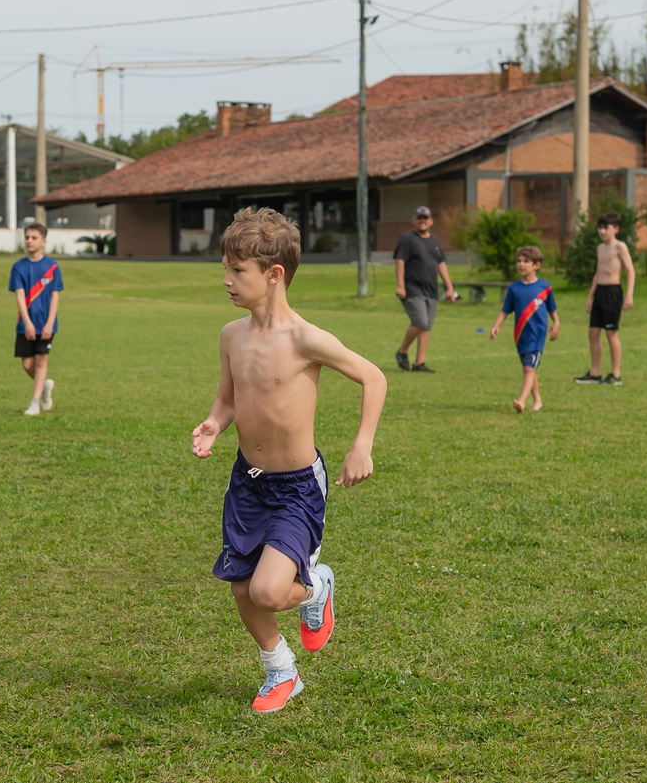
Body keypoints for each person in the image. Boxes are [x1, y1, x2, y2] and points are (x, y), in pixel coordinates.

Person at [191, 207, 387, 713]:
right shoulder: (231, 335)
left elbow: (374, 377)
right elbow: (228, 398)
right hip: (247, 482)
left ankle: (316, 587)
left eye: (238, 270)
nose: (227, 280)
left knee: (269, 591)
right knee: (242, 589)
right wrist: (214, 423)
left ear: (274, 274)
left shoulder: (306, 338)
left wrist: (361, 444)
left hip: (296, 486)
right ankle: (281, 670)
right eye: (226, 268)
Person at [489, 245, 560, 413]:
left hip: (537, 335)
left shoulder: (545, 287)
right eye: (519, 261)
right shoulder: (514, 288)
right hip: (521, 335)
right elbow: (505, 310)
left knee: (528, 368)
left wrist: (556, 323)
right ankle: (538, 401)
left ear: (536, 265)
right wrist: (496, 326)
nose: (521, 264)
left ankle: (521, 401)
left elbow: (552, 309)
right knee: (529, 369)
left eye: (526, 261)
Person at [575, 211, 635, 386]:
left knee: (611, 333)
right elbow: (598, 273)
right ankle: (595, 373)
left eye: (606, 228)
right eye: (600, 228)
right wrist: (590, 297)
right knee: (593, 332)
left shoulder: (620, 247)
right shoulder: (600, 248)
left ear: (616, 229)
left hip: (612, 292)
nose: (602, 231)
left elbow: (630, 270)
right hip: (600, 292)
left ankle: (616, 374)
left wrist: (629, 295)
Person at [394, 206, 456, 373]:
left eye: (425, 218)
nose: (422, 221)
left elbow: (441, 264)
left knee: (426, 326)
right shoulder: (407, 239)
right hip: (412, 288)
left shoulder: (435, 241)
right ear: (414, 220)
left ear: (431, 221)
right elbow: (399, 261)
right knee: (421, 322)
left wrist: (449, 288)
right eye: (419, 217)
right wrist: (400, 285)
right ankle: (402, 352)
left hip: (431, 289)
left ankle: (419, 363)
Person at [9, 222, 62, 416]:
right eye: (27, 237)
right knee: (27, 364)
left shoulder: (52, 267)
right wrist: (27, 322)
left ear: (43, 241)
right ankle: (46, 385)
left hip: (46, 324)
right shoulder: (18, 267)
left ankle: (34, 403)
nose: (29, 241)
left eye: (34, 238)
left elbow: (55, 296)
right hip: (25, 324)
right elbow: (20, 296)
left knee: (41, 362)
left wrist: (49, 323)